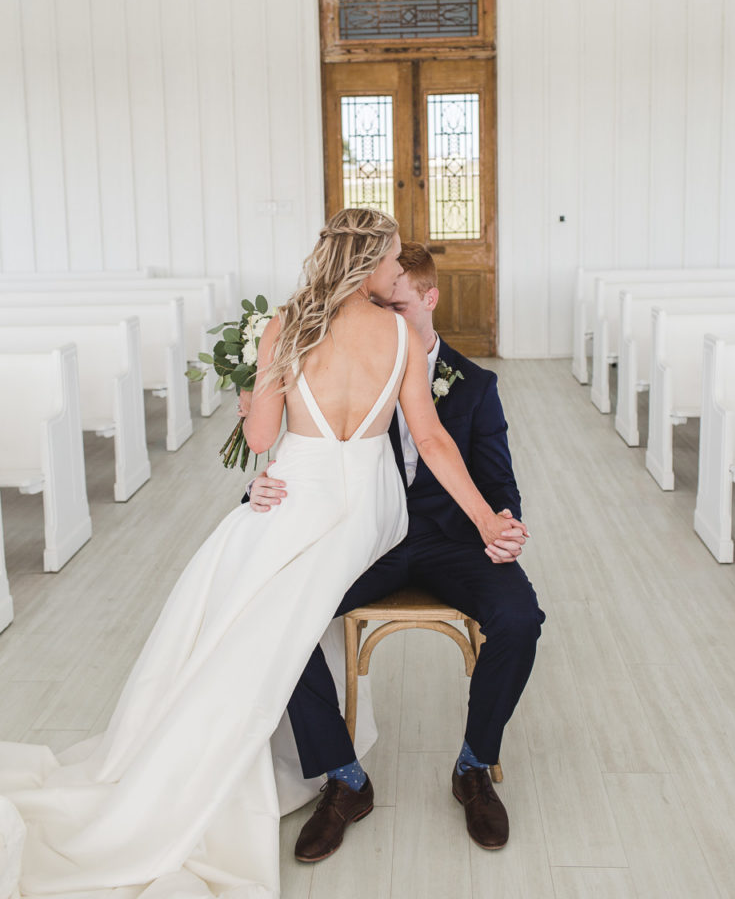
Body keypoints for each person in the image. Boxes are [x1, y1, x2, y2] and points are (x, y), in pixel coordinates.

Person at [0, 211, 512, 899]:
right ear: (368, 263)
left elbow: (264, 436)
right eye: (393, 259)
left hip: (298, 486)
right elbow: (432, 439)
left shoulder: (285, 327)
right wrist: (486, 518)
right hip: (371, 503)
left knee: (239, 587)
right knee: (254, 591)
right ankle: (326, 767)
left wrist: (250, 400)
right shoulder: (396, 333)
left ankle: (309, 768)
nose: (399, 270)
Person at [246, 241, 545, 860]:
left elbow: (499, 480)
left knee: (520, 618)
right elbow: (301, 446)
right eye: (377, 307)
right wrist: (258, 486)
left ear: (430, 300)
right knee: (279, 616)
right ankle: (344, 777)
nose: (382, 321)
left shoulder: (475, 384)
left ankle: (474, 766)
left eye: (397, 307)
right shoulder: (347, 350)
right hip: (364, 540)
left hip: (452, 539)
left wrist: (503, 525)